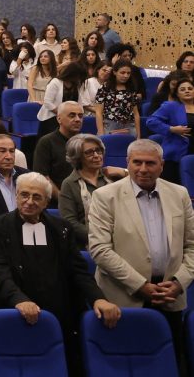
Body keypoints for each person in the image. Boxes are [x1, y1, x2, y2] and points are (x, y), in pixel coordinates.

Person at [0, 172, 121, 375]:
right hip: (14, 310)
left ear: (47, 202)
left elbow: (78, 272)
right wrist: (19, 300)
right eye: (24, 195)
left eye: (37, 197)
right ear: (16, 195)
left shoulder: (62, 228)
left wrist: (98, 299)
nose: (29, 202)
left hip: (58, 315)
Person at [88, 139, 194, 370]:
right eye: (137, 162)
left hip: (170, 296)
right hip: (123, 297)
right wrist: (140, 285)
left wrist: (179, 282)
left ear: (162, 165)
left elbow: (192, 246)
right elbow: (100, 249)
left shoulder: (180, 194)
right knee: (124, 366)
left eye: (150, 163)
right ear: (127, 163)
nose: (143, 169)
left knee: (166, 366)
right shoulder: (105, 196)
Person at [58, 134, 120, 247]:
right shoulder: (70, 183)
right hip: (88, 244)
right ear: (77, 157)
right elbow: (69, 222)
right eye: (89, 153)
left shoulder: (113, 176)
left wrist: (125, 172)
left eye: (98, 150)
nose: (96, 155)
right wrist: (101, 237)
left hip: (121, 238)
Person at [144, 75, 194, 184]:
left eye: (190, 89)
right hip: (176, 153)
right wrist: (171, 129)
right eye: (182, 89)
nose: (187, 91)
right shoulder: (171, 106)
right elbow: (151, 121)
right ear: (177, 93)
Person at [33, 101, 84, 192]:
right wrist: (62, 199)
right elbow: (42, 176)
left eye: (80, 116)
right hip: (57, 198)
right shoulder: (46, 142)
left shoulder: (86, 142)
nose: (77, 119)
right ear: (59, 119)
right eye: (72, 116)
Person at [94, 60, 144, 136]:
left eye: (128, 73)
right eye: (122, 72)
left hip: (129, 126)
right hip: (110, 126)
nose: (126, 76)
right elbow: (98, 112)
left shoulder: (131, 89)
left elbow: (136, 114)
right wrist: (101, 132)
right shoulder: (105, 88)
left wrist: (138, 135)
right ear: (114, 72)